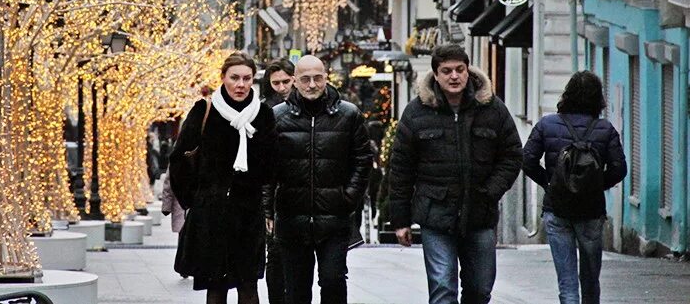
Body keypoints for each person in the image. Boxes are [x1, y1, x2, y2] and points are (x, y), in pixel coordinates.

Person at [388, 44, 522, 304]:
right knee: (442, 289)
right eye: (446, 71)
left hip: (479, 214)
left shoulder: (492, 109)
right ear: (436, 75)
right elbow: (401, 167)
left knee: (480, 289)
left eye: (459, 70)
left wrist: (491, 191)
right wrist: (400, 220)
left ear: (468, 71)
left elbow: (512, 155)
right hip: (435, 214)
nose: (454, 76)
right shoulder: (417, 113)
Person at [264, 55, 373, 304]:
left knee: (333, 281)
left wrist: (349, 197)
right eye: (305, 79)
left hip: (334, 217)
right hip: (292, 216)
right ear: (295, 81)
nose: (312, 85)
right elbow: (268, 168)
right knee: (296, 289)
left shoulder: (348, 114)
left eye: (317, 78)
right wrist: (268, 208)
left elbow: (363, 158)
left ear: (326, 78)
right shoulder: (277, 117)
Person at [170, 52, 277, 304]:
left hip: (248, 214)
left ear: (254, 80)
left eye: (247, 78)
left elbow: (272, 165)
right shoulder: (204, 110)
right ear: (223, 78)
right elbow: (178, 161)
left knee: (248, 286)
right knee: (216, 286)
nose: (240, 84)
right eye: (235, 78)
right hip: (211, 214)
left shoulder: (262, 114)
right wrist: (194, 201)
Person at [522, 71, 627, 304]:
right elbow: (620, 169)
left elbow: (527, 160)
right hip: (591, 211)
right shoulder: (606, 129)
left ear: (566, 95)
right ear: (598, 98)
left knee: (567, 283)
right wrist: (597, 185)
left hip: (557, 209)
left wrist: (549, 183)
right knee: (590, 281)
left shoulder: (546, 125)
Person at [261, 59, 294, 304]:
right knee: (275, 260)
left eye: (285, 81)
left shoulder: (305, 106)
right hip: (276, 195)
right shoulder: (264, 111)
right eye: (276, 83)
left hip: (301, 193)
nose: (281, 87)